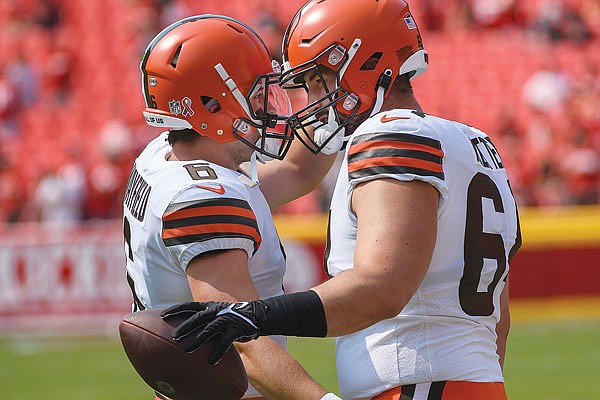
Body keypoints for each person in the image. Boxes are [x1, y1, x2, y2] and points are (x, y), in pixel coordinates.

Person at [161, 1, 523, 399]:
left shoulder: (392, 133)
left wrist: (253, 316)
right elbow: (498, 319)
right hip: (472, 384)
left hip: (416, 387)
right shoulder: (476, 143)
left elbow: (381, 286)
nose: (313, 99)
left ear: (364, 64)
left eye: (319, 80)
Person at [124, 15, 340, 400]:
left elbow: (295, 169)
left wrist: (335, 112)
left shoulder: (165, 156)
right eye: (256, 95)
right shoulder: (203, 196)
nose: (266, 107)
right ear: (210, 104)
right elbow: (241, 338)